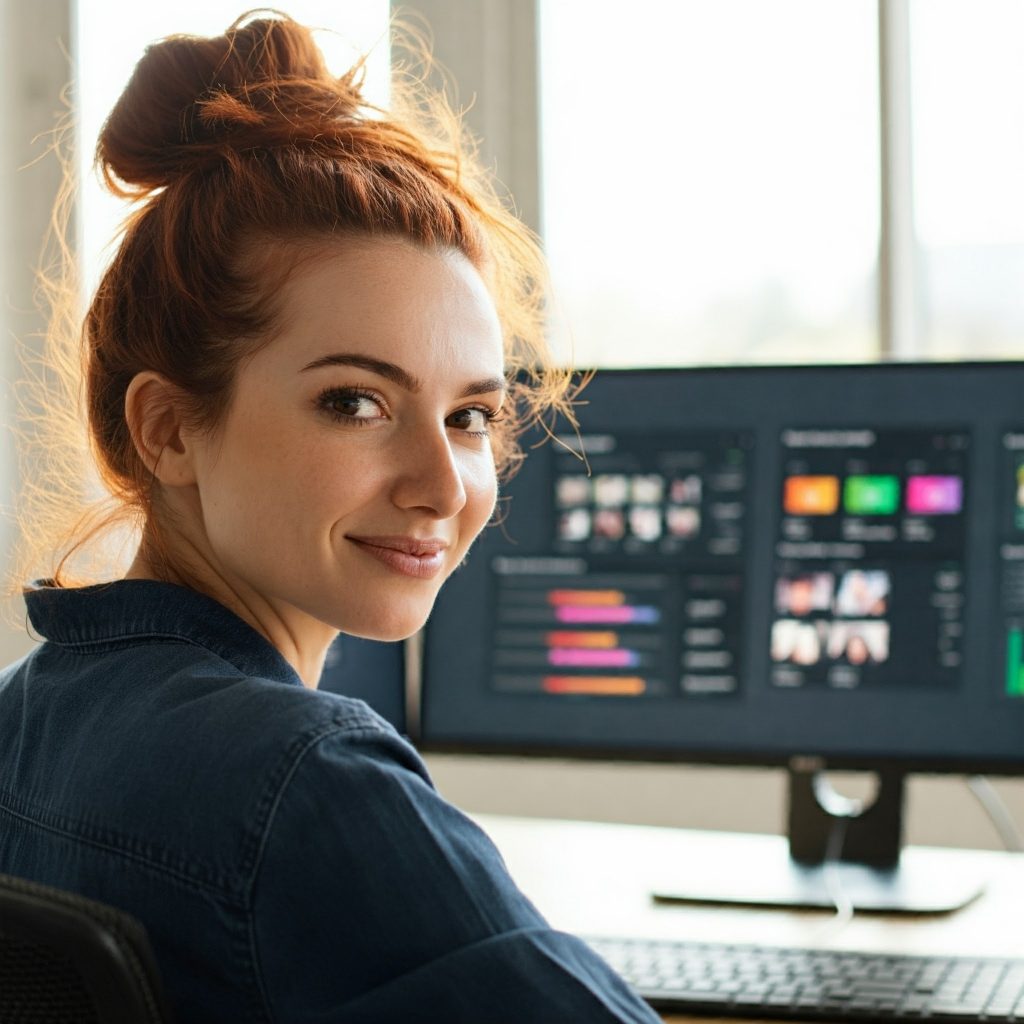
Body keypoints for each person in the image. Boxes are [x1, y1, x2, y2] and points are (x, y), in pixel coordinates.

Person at [0, 13, 659, 1023]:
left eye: (470, 416)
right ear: (169, 430)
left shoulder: (21, 715)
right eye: (355, 402)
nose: (443, 485)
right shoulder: (306, 778)